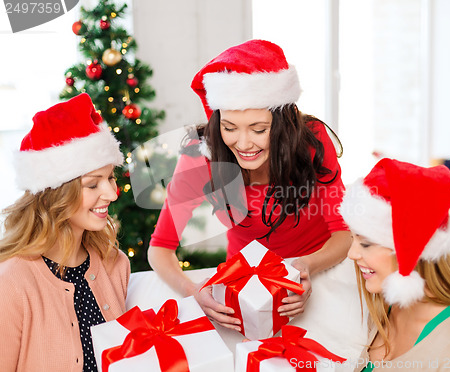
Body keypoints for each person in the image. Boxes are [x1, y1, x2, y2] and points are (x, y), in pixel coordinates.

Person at [148, 39, 352, 331]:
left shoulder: (311, 140)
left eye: (259, 129)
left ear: (283, 125)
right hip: (245, 286)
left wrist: (306, 268)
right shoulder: (201, 155)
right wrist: (193, 291)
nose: (243, 144)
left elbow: (343, 235)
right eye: (229, 128)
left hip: (319, 271)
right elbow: (160, 248)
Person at [0, 93, 130, 372]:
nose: (112, 193)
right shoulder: (10, 284)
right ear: (52, 195)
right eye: (93, 184)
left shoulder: (115, 264)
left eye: (110, 178)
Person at [339, 158, 450, 371]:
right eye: (352, 239)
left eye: (366, 243)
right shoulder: (386, 309)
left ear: (411, 251)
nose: (351, 254)